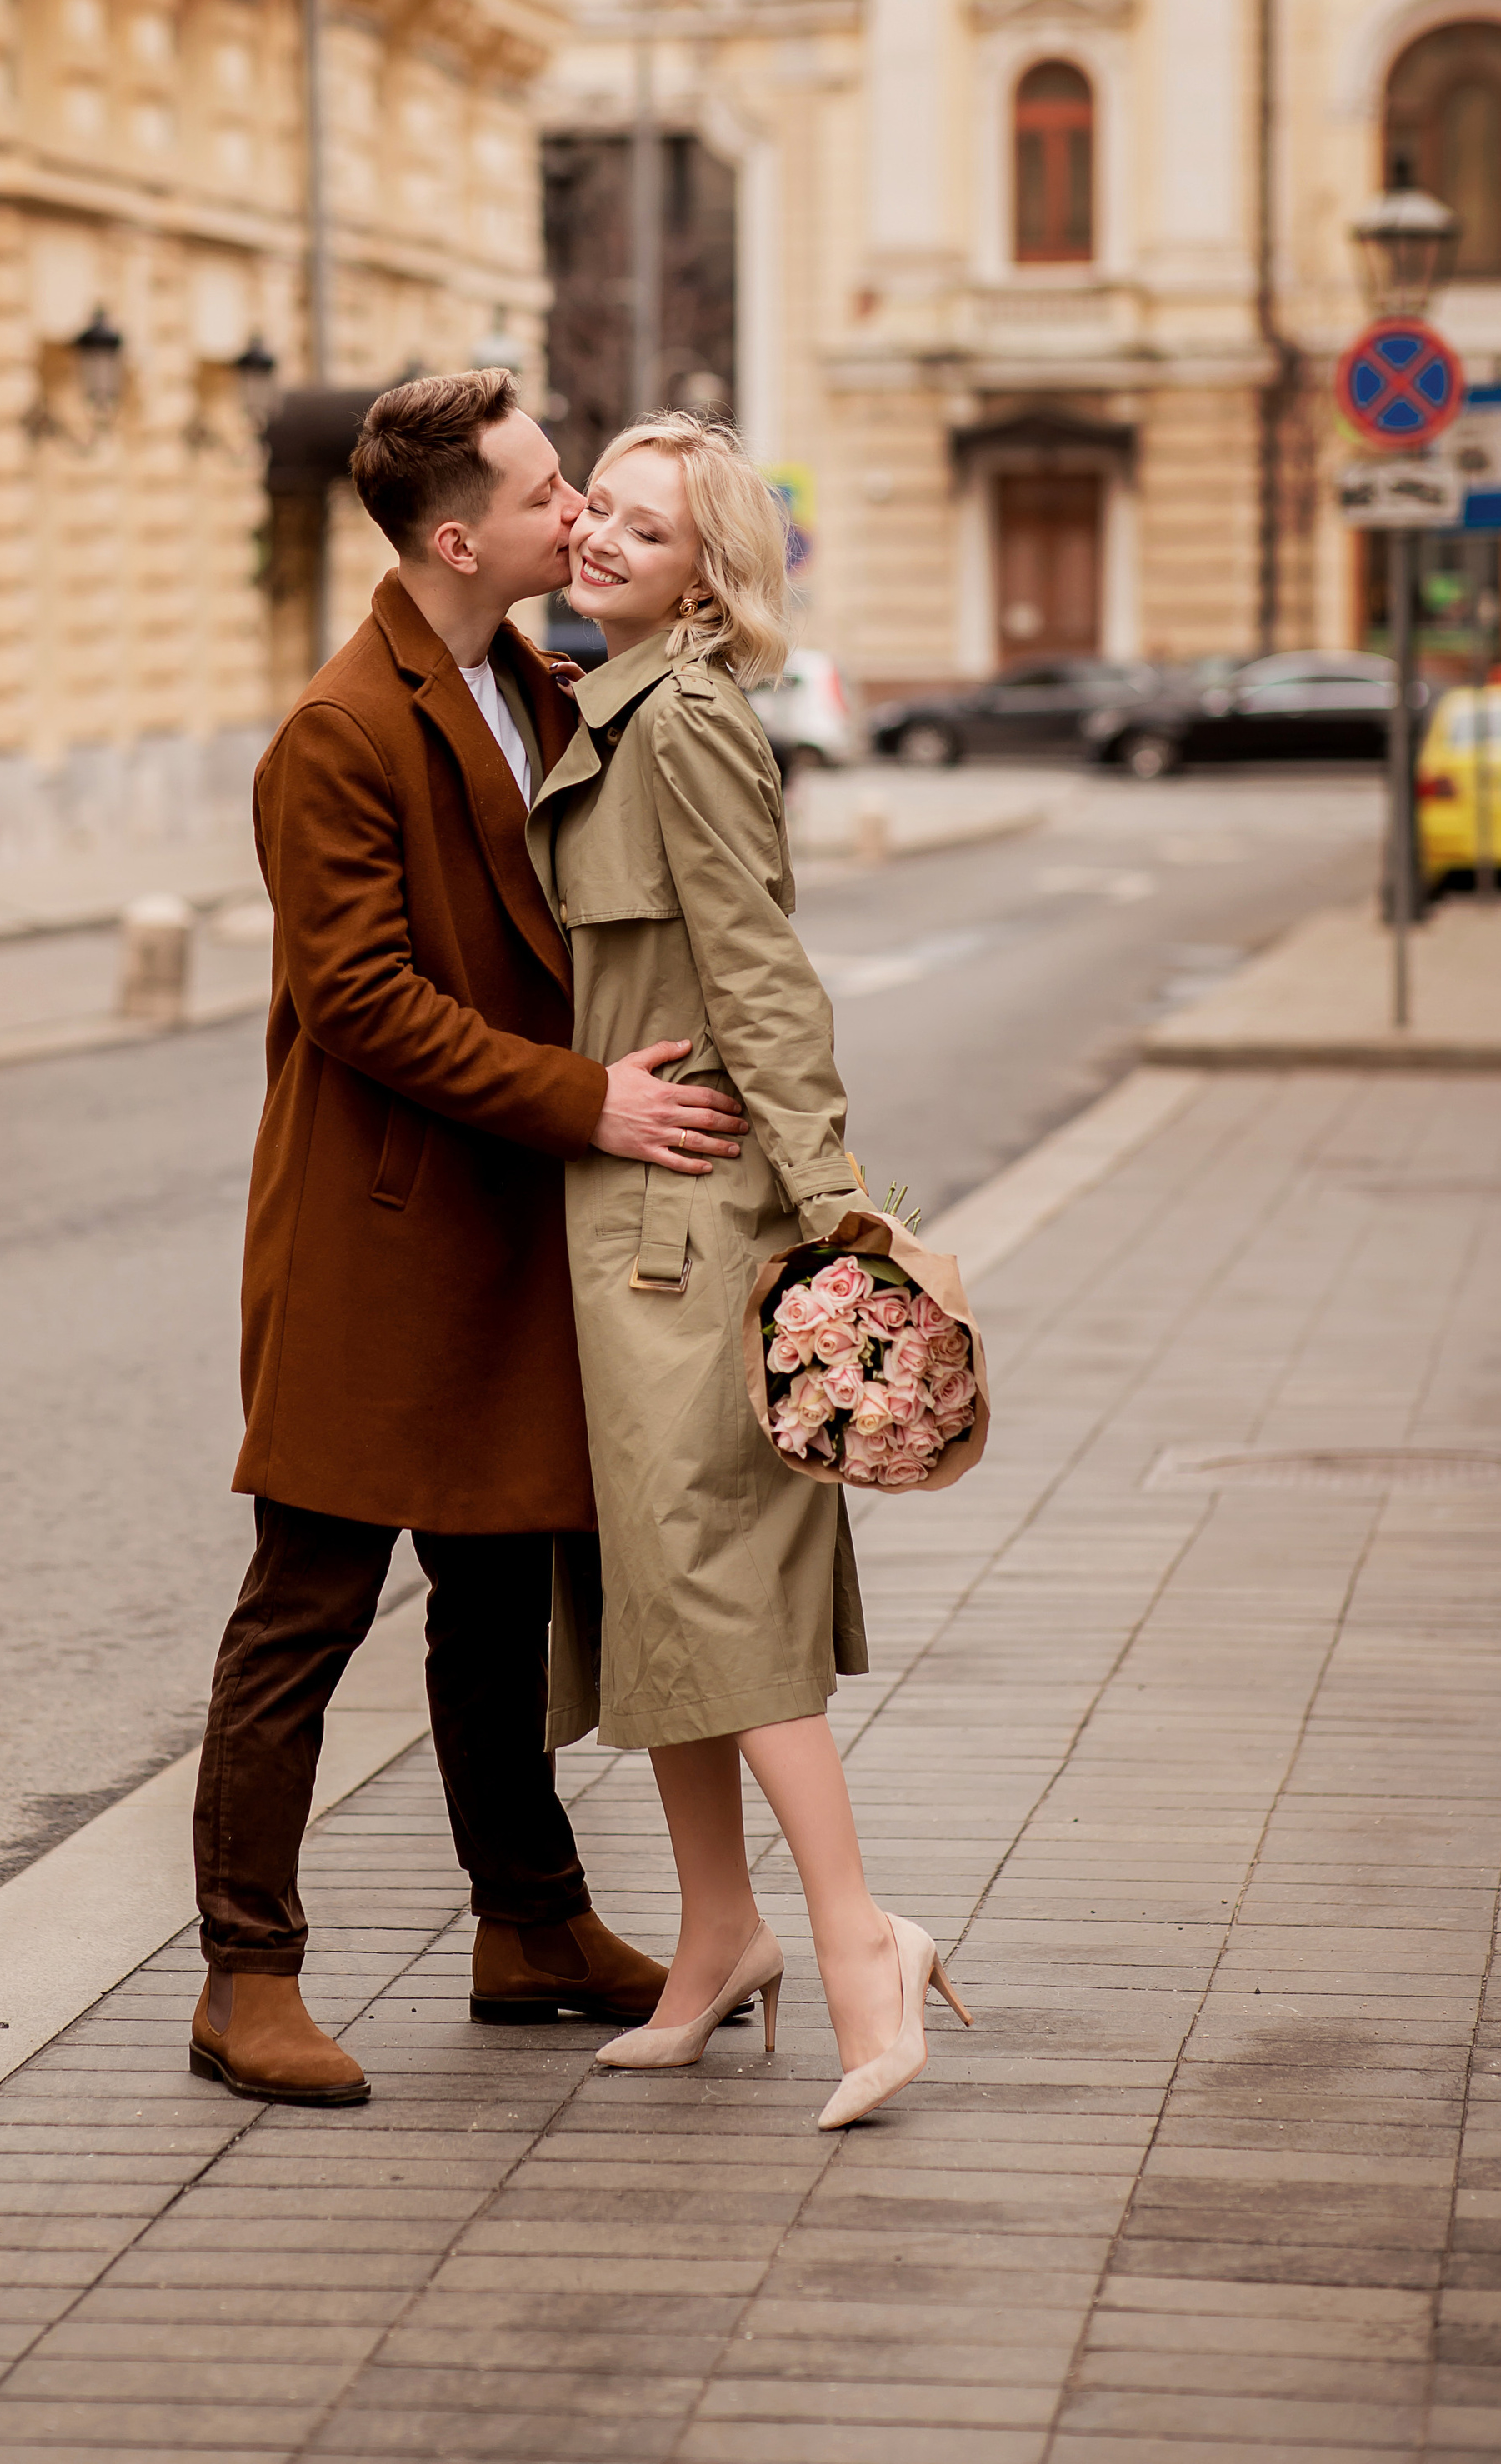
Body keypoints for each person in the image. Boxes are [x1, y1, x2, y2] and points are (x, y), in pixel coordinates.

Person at [190, 368, 750, 2107]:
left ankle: (528, 1922)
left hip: (502, 1227)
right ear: (456, 536)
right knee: (311, 1600)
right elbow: (357, 1000)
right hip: (377, 1234)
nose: (571, 511)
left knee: (498, 1592)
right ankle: (243, 1975)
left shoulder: (531, 676)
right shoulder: (336, 731)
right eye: (541, 493)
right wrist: (585, 1103)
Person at [530, 408, 973, 2131]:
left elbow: (762, 976)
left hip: (700, 1228)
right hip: (623, 1215)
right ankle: (717, 1937)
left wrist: (835, 1213)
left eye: (639, 533)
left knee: (717, 1585)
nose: (596, 543)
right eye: (594, 515)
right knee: (660, 1596)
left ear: (707, 577)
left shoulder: (687, 719)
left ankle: (858, 1937)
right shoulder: (607, 703)